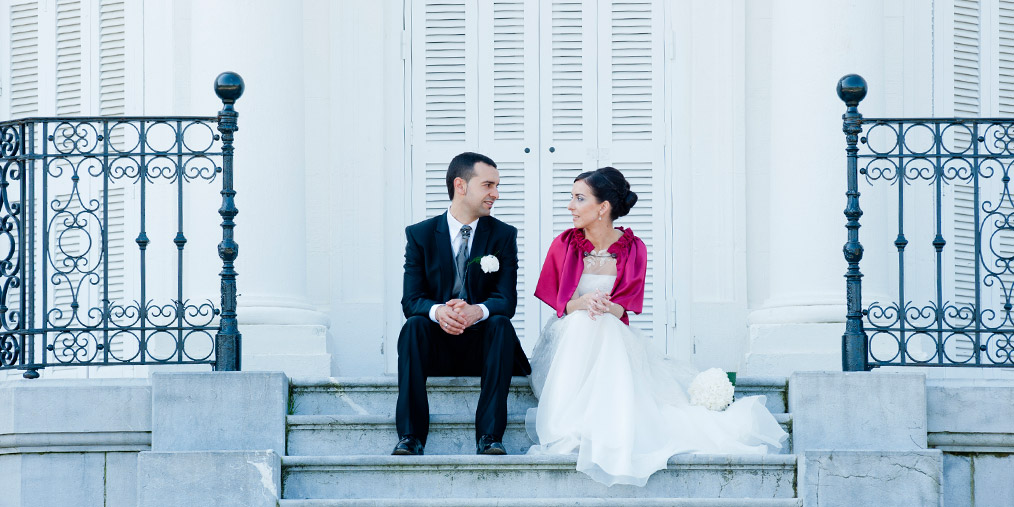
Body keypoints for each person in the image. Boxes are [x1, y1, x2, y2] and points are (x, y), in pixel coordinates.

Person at [528, 167, 787, 486]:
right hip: (569, 334)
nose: (571, 206)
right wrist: (583, 302)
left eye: (579, 198)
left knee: (603, 323)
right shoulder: (564, 244)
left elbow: (624, 306)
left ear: (603, 207)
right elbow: (560, 305)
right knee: (584, 321)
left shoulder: (633, 247)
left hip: (610, 329)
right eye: (572, 198)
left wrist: (604, 305)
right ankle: (571, 420)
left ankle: (609, 418)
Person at [394, 152, 532, 456]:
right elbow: (412, 300)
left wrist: (477, 311)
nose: (496, 194)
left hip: (483, 349)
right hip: (436, 349)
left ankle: (490, 437)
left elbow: (506, 300)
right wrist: (439, 311)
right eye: (488, 185)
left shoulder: (503, 235)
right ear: (461, 185)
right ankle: (410, 437)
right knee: (414, 325)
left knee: (500, 323)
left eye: (496, 186)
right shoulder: (420, 235)